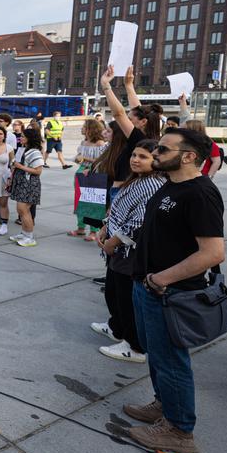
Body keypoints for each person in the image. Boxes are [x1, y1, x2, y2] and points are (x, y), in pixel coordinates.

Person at [122, 127, 224, 453]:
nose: (156, 154)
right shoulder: (170, 184)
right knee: (157, 355)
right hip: (148, 286)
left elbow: (213, 253)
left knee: (171, 361)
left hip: (170, 293)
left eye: (164, 150)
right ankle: (164, 405)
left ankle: (180, 430)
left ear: (189, 156)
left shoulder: (200, 194)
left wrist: (161, 279)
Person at [94, 139, 163, 363]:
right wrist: (105, 228)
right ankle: (116, 327)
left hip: (129, 251)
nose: (135, 160)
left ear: (156, 160)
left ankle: (134, 346)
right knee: (113, 292)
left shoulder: (153, 184)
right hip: (117, 248)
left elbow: (138, 222)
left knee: (126, 299)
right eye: (134, 155)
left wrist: (113, 241)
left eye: (143, 157)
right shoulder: (138, 179)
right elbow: (118, 209)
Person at [99, 65, 162, 200]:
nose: (126, 122)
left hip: (122, 191)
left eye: (130, 120)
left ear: (143, 122)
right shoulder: (152, 139)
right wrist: (129, 85)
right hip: (131, 189)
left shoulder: (139, 139)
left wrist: (106, 85)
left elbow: (119, 113)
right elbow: (137, 110)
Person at [69, 118, 108, 240]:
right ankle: (80, 228)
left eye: (84, 127)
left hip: (94, 172)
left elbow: (102, 161)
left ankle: (93, 231)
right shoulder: (83, 142)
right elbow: (79, 158)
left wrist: (84, 158)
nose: (82, 129)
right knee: (80, 200)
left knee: (93, 202)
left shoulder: (100, 143)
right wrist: (78, 159)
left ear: (91, 129)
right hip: (81, 171)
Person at [8, 127, 44, 247]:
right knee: (21, 210)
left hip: (29, 184)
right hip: (20, 182)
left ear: (30, 138)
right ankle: (24, 233)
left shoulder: (35, 152)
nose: (20, 138)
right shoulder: (22, 149)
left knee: (24, 210)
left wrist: (20, 166)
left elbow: (38, 171)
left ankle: (29, 237)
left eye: (23, 136)